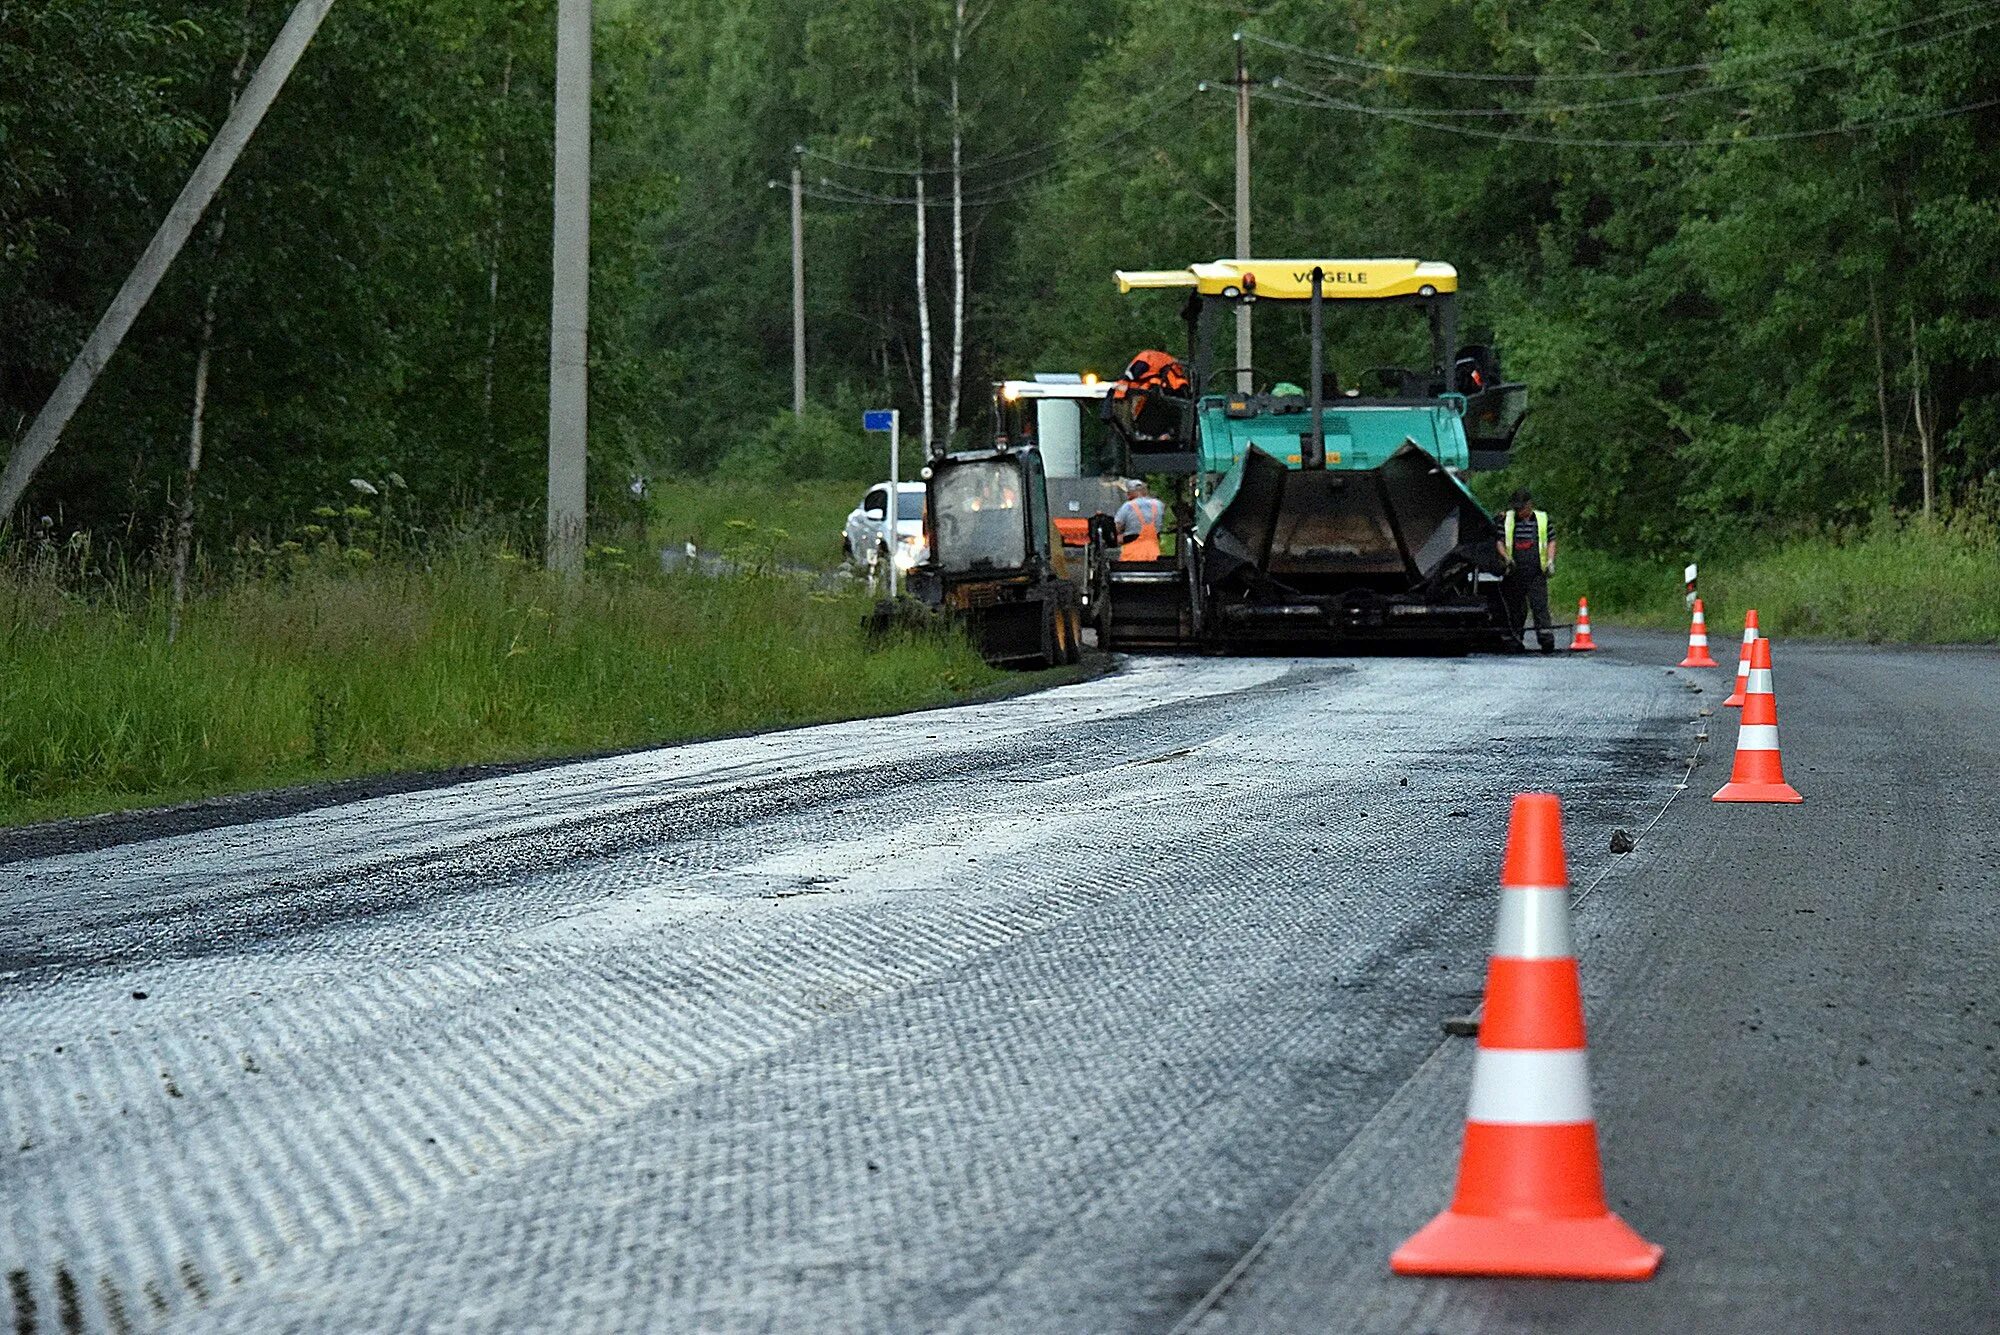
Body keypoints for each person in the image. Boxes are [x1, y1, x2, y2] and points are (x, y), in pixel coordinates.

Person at [1497, 487, 1556, 653]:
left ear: (1529, 505)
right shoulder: (1507, 520)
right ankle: (1514, 640)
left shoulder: (1542, 519)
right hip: (1514, 570)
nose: (1519, 511)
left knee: (1539, 605)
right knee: (1515, 608)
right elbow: (1500, 541)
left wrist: (1550, 561)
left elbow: (1551, 540)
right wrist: (1506, 558)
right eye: (1516, 508)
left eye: (1521, 508)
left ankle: (1546, 639)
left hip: (1536, 571)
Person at [1113, 480, 1165, 561]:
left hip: (1132, 554)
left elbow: (1117, 527)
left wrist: (1119, 535)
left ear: (1132, 492)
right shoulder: (1159, 505)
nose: (1127, 495)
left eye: (1128, 492)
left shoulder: (1127, 506)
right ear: (1145, 491)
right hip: (1154, 553)